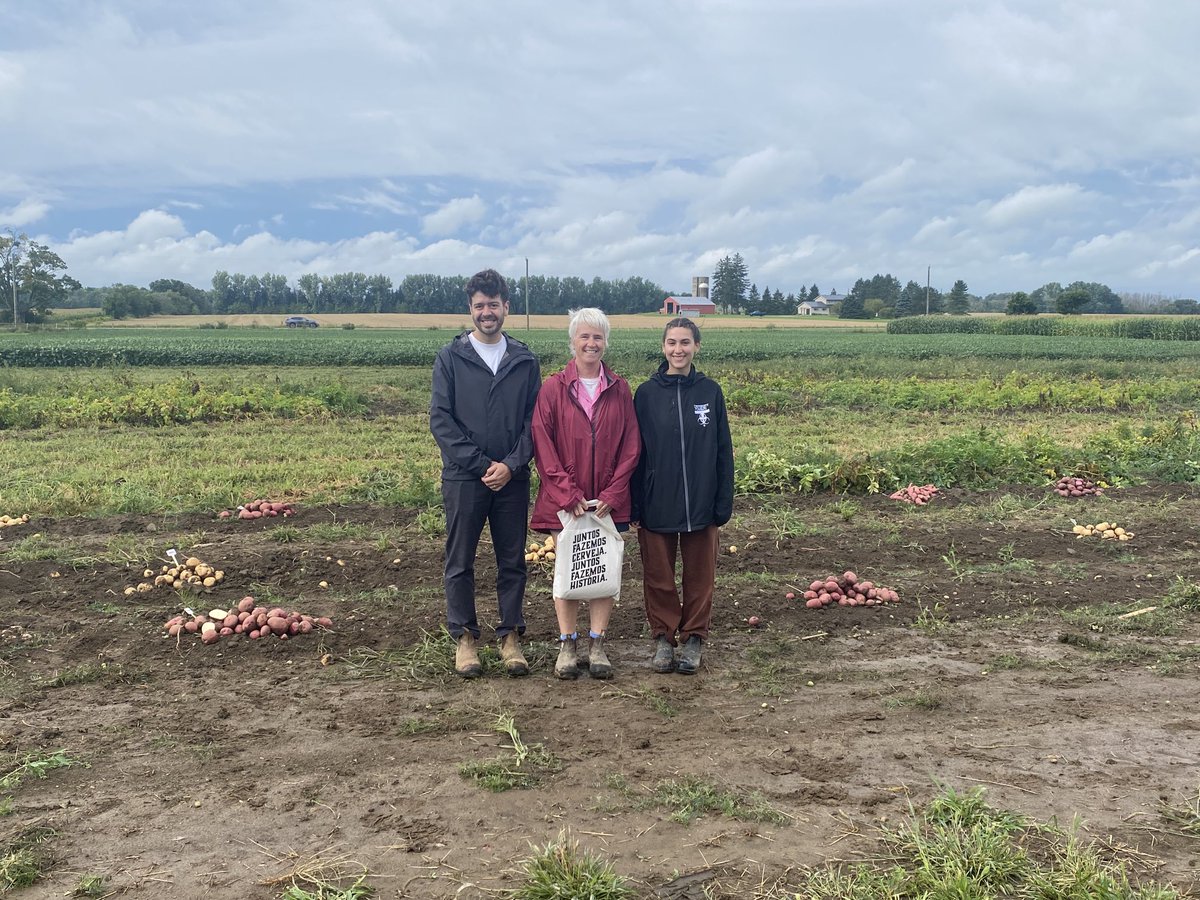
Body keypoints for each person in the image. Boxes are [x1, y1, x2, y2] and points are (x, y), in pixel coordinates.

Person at [430, 269, 541, 678]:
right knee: (460, 560)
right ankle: (465, 638)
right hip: (464, 478)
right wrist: (481, 466)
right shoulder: (450, 358)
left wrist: (511, 465)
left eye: (494, 305)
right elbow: (441, 421)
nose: (487, 312)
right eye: (480, 305)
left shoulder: (525, 360)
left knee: (512, 560)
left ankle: (510, 636)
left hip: (512, 480)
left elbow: (536, 422)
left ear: (506, 307)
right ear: (470, 309)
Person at [531, 308, 640, 679]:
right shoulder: (552, 389)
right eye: (584, 337)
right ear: (572, 342)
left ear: (606, 343)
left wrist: (614, 491)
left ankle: (597, 643)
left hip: (607, 502)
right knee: (568, 571)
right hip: (567, 505)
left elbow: (631, 446)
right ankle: (567, 643)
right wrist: (567, 494)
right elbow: (543, 445)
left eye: (597, 337)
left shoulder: (620, 389)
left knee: (602, 569)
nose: (591, 343)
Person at [632, 317, 734, 675]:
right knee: (658, 576)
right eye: (672, 342)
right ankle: (663, 637)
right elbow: (636, 452)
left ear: (697, 347)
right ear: (663, 347)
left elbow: (723, 449)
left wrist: (723, 500)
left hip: (702, 504)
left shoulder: (710, 392)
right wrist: (635, 502)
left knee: (700, 575)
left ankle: (693, 638)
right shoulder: (646, 394)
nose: (678, 349)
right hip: (657, 500)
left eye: (685, 343)